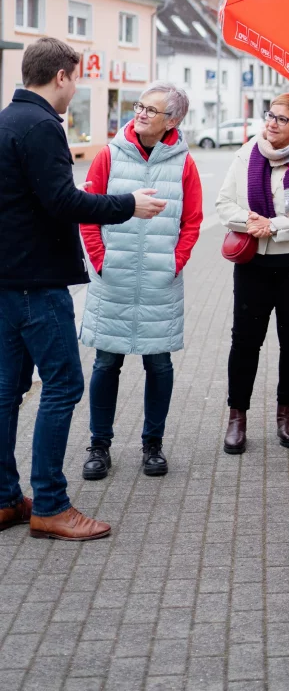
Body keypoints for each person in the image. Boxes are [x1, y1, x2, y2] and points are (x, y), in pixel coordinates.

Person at [0, 38, 166, 541]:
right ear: (62, 78)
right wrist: (127, 204)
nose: (77, 88)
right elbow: (62, 200)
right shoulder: (42, 126)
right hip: (36, 285)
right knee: (65, 385)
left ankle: (6, 498)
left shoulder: (6, 119)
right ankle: (50, 504)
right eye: (77, 78)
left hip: (7, 284)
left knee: (7, 392)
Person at [79, 82, 203, 480]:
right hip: (112, 278)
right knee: (105, 362)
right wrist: (100, 260)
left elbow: (193, 221)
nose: (142, 114)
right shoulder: (109, 156)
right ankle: (99, 445)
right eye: (140, 107)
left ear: (174, 120)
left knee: (159, 363)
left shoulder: (184, 164)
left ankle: (153, 444)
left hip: (158, 281)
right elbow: (88, 212)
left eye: (152, 110)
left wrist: (174, 262)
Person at [216, 94, 289, 454]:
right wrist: (253, 223)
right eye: (270, 116)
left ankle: (286, 413)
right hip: (255, 262)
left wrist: (276, 226)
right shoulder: (247, 154)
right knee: (245, 340)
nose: (271, 123)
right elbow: (225, 204)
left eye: (282, 119)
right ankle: (237, 416)